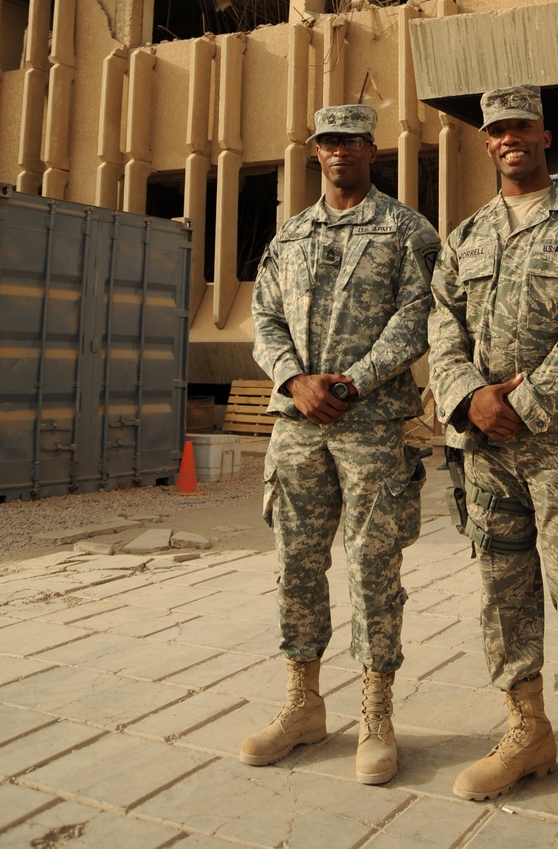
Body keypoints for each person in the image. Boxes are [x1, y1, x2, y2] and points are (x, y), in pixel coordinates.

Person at [427, 84, 558, 828]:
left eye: (522, 127)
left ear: (545, 137)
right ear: (486, 144)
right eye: (497, 130)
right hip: (484, 451)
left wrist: (526, 402)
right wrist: (469, 399)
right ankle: (527, 729)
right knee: (502, 589)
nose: (509, 138)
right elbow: (441, 328)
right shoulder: (466, 236)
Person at [242, 103, 441, 786]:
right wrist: (296, 380)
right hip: (297, 426)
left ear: (372, 149)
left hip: (372, 426)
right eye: (328, 141)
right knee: (296, 565)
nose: (340, 152)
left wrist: (352, 384)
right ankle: (302, 705)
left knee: (373, 567)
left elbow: (421, 316)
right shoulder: (290, 236)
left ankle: (377, 715)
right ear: (315, 151)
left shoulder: (406, 231)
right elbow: (263, 315)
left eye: (352, 141)